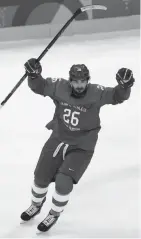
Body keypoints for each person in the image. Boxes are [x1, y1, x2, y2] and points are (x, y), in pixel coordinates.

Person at [20, 58, 135, 232]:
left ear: (88, 80)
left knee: (63, 182)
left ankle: (54, 213)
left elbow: (117, 96)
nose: (79, 85)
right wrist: (34, 75)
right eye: (76, 82)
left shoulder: (97, 92)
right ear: (70, 80)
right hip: (58, 138)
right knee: (40, 178)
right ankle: (36, 205)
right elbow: (40, 86)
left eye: (83, 81)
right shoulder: (59, 87)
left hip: (82, 146)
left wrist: (125, 86)